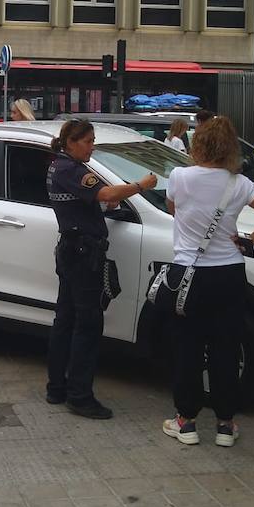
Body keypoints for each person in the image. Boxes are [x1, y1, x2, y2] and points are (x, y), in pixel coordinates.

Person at [158, 116, 254, 447]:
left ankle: (185, 422)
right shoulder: (239, 183)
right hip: (229, 274)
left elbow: (173, 209)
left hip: (189, 273)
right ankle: (225, 425)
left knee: (187, 347)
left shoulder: (179, 177)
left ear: (198, 144)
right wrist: (251, 241)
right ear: (231, 148)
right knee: (226, 348)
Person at [46, 119, 158, 420]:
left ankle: (57, 387)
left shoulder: (59, 166)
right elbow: (107, 194)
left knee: (66, 320)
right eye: (88, 141)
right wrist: (141, 185)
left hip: (72, 250)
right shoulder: (73, 169)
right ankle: (79, 396)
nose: (92, 146)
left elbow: (89, 202)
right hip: (83, 254)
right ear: (71, 142)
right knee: (88, 325)